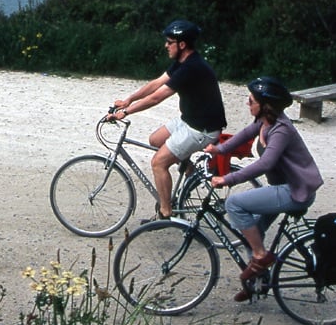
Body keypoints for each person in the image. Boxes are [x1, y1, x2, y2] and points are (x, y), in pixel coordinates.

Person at [204, 76, 323, 302]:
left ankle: (260, 256)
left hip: (295, 191)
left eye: (251, 101)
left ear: (264, 105)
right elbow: (243, 136)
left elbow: (265, 164)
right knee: (253, 231)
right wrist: (218, 149)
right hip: (284, 187)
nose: (248, 104)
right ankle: (258, 281)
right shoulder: (265, 122)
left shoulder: (281, 130)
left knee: (234, 204)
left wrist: (228, 179)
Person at [107, 20, 227, 219]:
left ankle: (166, 211)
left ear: (182, 45)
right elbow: (156, 83)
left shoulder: (191, 68)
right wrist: (129, 99)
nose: (165, 45)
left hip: (202, 129)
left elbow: (157, 97)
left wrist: (127, 112)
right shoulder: (183, 62)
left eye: (169, 42)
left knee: (158, 163)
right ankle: (189, 170)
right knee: (155, 140)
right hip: (190, 120)